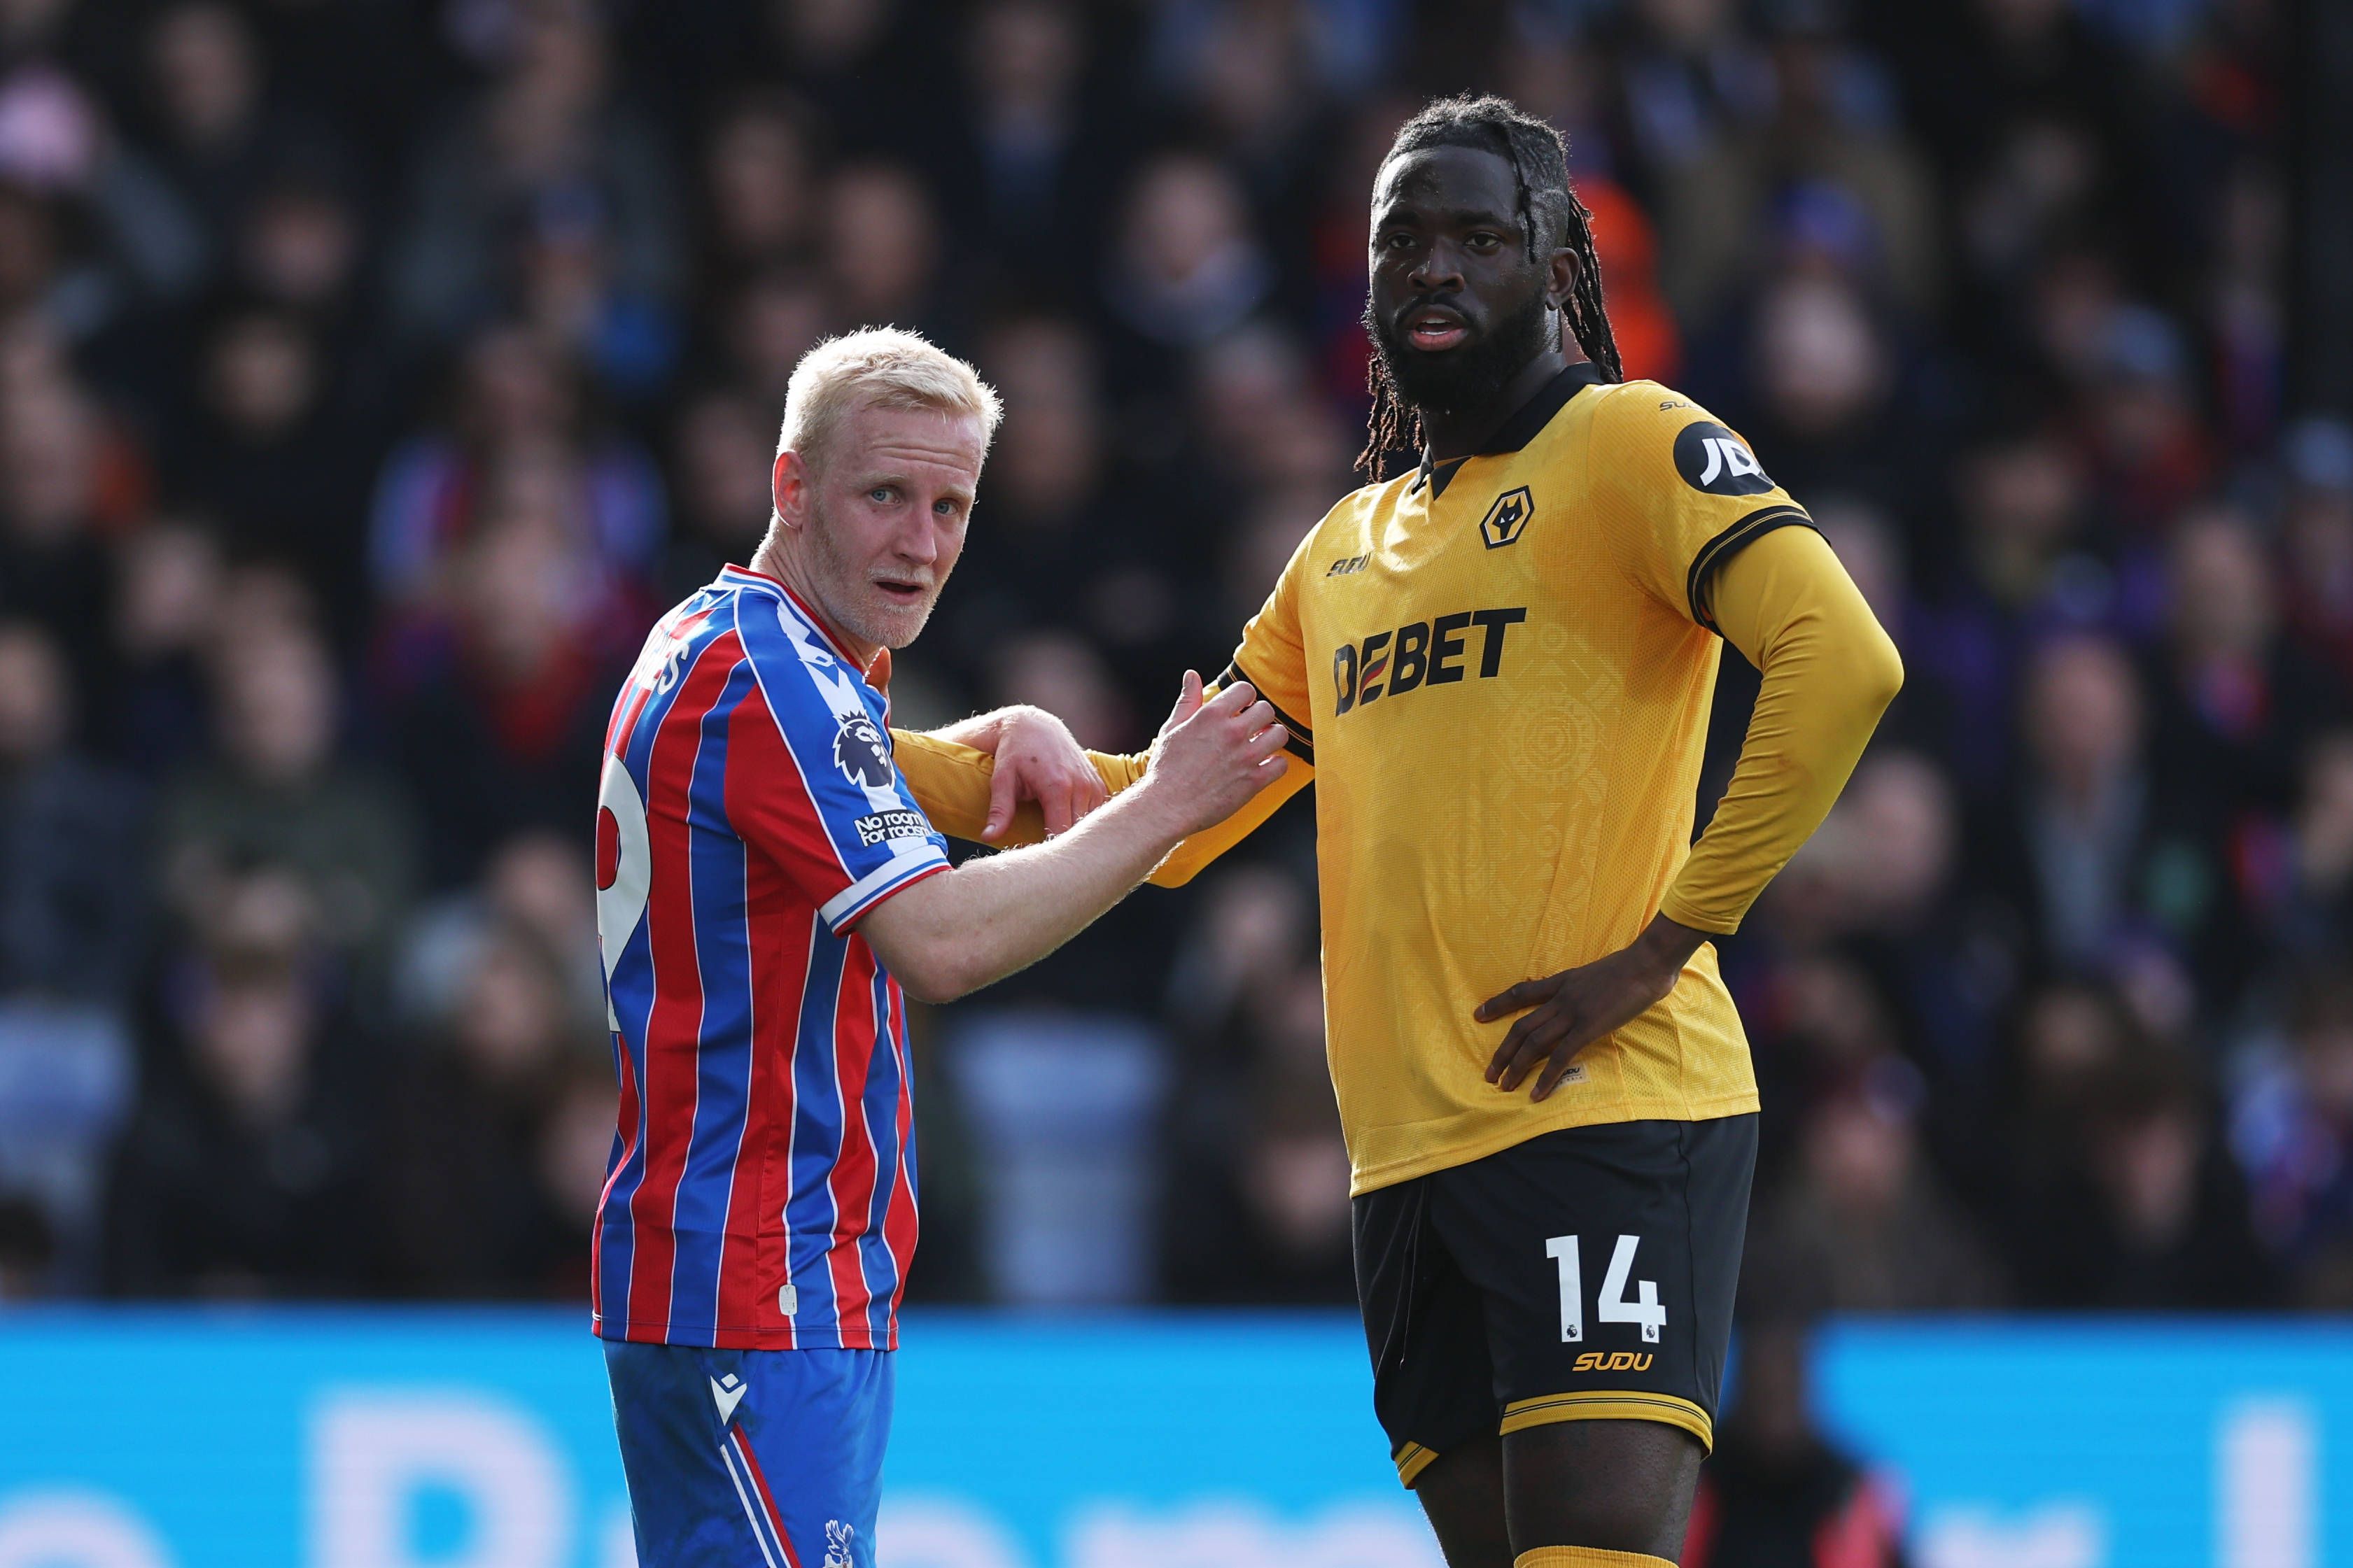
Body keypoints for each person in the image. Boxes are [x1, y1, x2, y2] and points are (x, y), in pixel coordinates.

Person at [901, 97, 1903, 1568]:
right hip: (1409, 1159)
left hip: (1606, 1105)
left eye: (1478, 238)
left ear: (1559, 261)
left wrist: (1669, 942)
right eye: (1402, 242)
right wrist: (864, 756)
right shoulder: (1344, 550)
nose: (1434, 269)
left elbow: (1844, 661)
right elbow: (1170, 818)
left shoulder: (1633, 442)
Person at [589, 327, 1286, 1568]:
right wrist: (1169, 801)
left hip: (755, 1277)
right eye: (884, 496)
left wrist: (999, 732)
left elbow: (835, 778)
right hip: (761, 1281)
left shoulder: (727, 641)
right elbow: (943, 943)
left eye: (951, 504)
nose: (921, 543)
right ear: (790, 488)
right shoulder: (770, 676)